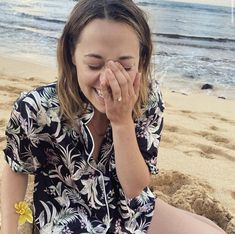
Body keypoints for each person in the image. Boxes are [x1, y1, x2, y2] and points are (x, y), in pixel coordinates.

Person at [1, 0, 226, 233]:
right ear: (71, 54)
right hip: (67, 212)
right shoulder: (36, 108)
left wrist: (122, 121)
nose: (107, 80)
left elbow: (135, 187)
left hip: (129, 207)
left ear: (142, 59)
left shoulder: (148, 99)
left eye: (125, 67)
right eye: (94, 64)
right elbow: (16, 167)